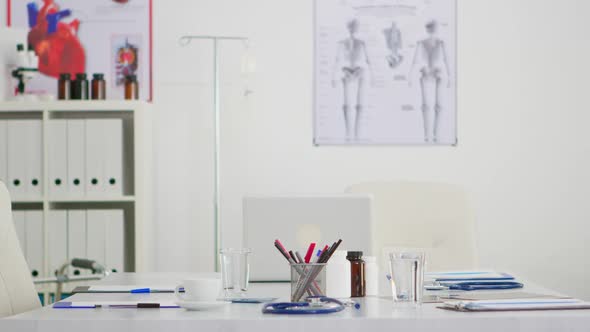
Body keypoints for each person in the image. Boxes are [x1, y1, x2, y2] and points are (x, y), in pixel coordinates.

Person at [409, 20, 451, 143]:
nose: (432, 30)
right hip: (426, 73)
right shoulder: (421, 43)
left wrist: (449, 77)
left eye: (433, 28)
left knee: (438, 106)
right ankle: (427, 135)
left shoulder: (441, 43)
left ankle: (435, 135)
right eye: (431, 28)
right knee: (426, 106)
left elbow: (447, 60)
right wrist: (410, 75)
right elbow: (415, 60)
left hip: (438, 73)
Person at [331, 19, 373, 141]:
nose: (353, 29)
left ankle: (356, 135)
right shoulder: (341, 43)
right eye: (351, 26)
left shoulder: (362, 43)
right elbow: (337, 60)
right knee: (347, 104)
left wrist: (373, 77)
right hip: (346, 72)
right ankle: (348, 134)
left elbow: (368, 60)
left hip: (359, 72)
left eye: (355, 26)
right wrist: (333, 76)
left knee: (359, 105)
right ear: (348, 27)